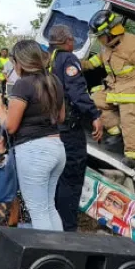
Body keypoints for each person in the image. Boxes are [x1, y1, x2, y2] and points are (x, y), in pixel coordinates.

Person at [0, 40, 66, 231]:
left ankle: (47, 257)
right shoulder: (54, 81)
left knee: (38, 210)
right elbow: (61, 117)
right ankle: (58, 254)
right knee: (49, 207)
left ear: (20, 62)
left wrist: (0, 108)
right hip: (57, 147)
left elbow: (10, 126)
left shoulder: (23, 85)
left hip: (35, 152)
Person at [82, 11, 135, 168]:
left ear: (110, 32)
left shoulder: (132, 45)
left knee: (130, 121)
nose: (99, 40)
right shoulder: (108, 47)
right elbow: (99, 60)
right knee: (93, 101)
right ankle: (116, 133)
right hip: (115, 90)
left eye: (101, 35)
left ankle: (134, 156)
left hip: (132, 93)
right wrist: (84, 64)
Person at [47, 25, 104, 232]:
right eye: (72, 40)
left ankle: (51, 222)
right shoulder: (68, 59)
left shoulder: (47, 59)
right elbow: (77, 92)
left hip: (49, 127)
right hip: (68, 130)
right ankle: (67, 228)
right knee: (71, 178)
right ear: (67, 41)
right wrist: (95, 115)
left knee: (54, 177)